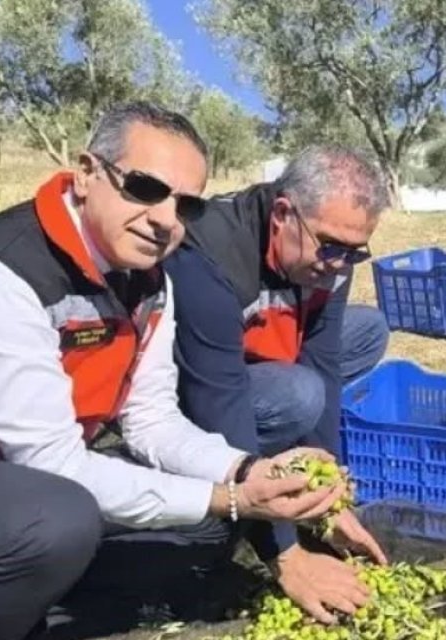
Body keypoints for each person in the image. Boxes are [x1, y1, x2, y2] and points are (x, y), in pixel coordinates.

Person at [0, 102, 365, 640]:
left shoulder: (148, 282)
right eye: (144, 188)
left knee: (203, 530)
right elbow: (52, 461)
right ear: (86, 172)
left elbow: (152, 421)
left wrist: (248, 471)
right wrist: (233, 499)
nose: (165, 219)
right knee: (55, 520)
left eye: (186, 205)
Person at [163, 145, 391, 624]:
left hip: (256, 353)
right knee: (299, 395)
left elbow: (326, 362)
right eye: (330, 247)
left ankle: (283, 447)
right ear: (284, 214)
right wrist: (285, 551)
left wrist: (328, 499)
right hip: (190, 386)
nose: (339, 264)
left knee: (367, 331)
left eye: (355, 252)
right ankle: (259, 467)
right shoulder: (207, 254)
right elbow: (220, 400)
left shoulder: (333, 257)